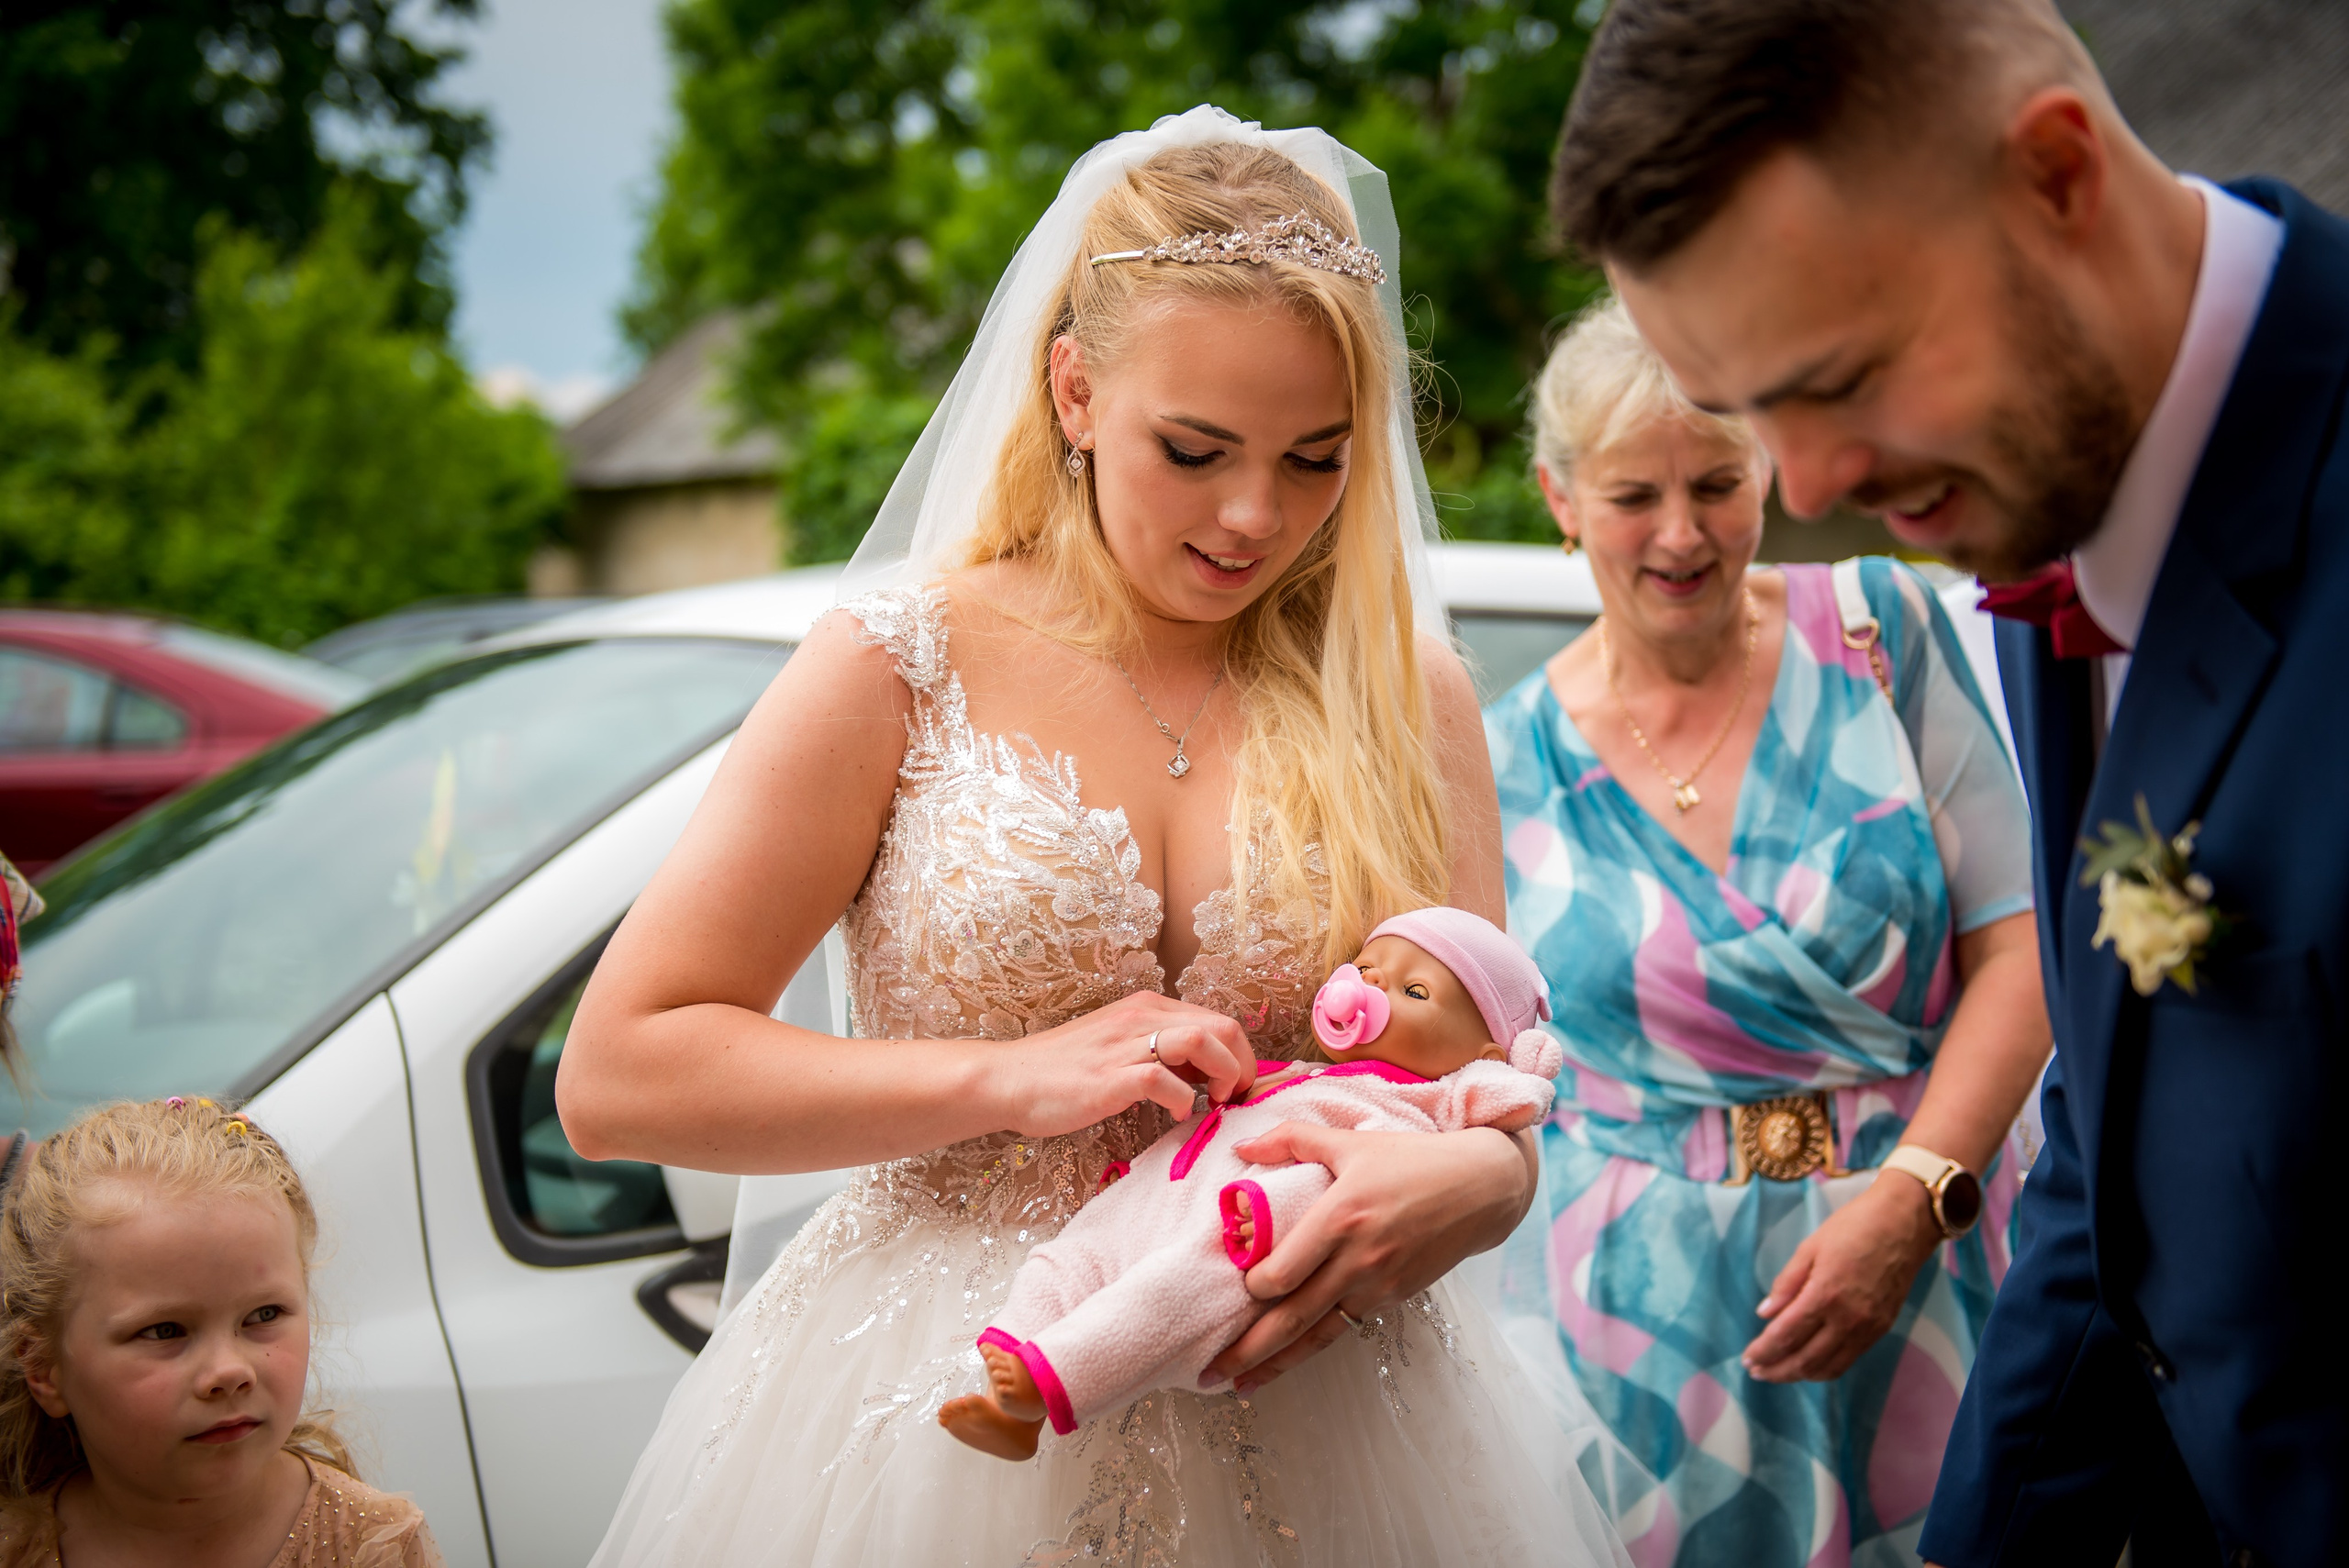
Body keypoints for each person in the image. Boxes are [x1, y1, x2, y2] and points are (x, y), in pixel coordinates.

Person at [559, 107, 1629, 1566]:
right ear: (1073, 390)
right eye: (1194, 450)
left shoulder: (1405, 689)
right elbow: (619, 1073)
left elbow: (1486, 1062)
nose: (1253, 516)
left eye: (1315, 459)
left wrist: (1487, 1183)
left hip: (1333, 1412)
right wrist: (1005, 1076)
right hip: (942, 1405)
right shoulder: (896, 664)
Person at [1550, 0, 2349, 1562]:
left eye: (1840, 376)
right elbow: (2116, 1168)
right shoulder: (2052, 502)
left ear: (2055, 176)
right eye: (1750, 411)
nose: (1806, 486)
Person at [1484, 295, 2052, 1563]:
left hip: (1925, 1257)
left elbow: (2021, 950)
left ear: (1764, 471)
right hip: (1641, 1327)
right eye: (1633, 496)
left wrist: (1912, 1201)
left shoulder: (1882, 633)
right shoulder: (1501, 756)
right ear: (1561, 498)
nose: (1681, 533)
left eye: (1716, 483)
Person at [941, 906, 1566, 1461]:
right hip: (1162, 1200)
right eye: (1365, 967)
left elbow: (1492, 1118)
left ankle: (1048, 1385)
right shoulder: (1302, 1074)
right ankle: (1015, 1360)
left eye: (1414, 990)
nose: (1371, 985)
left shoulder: (1415, 1107)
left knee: (1164, 1301)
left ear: (1482, 1058)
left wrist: (1270, 1213)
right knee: (1077, 1252)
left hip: (1255, 1238)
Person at [0, 1097, 442, 1567]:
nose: (229, 1372)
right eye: (165, 1330)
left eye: (264, 1314)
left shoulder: (373, 1545)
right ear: (42, 1367)